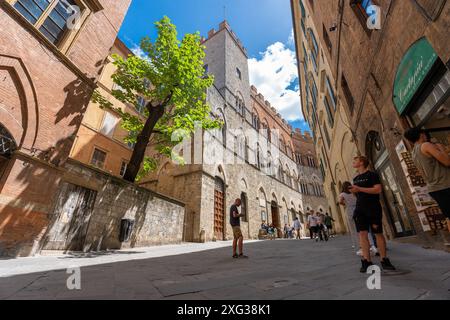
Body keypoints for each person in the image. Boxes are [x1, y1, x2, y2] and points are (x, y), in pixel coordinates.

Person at [350, 156, 396, 272]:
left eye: (355, 160)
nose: (353, 162)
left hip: (373, 208)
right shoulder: (355, 178)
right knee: (362, 235)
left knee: (378, 234)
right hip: (360, 210)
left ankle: (384, 259)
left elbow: (378, 190)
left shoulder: (372, 175)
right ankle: (367, 261)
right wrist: (355, 191)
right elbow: (358, 194)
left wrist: (359, 189)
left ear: (361, 163)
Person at [404, 127, 450, 232]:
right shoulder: (426, 145)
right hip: (445, 185)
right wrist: (440, 147)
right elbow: (447, 162)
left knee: (448, 217)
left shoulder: (413, 152)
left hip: (435, 188)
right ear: (421, 135)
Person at [340, 181, 378, 255]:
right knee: (365, 228)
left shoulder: (342, 194)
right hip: (359, 209)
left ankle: (361, 248)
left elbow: (340, 202)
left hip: (350, 211)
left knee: (354, 230)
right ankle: (372, 246)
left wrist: (346, 204)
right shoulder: (354, 192)